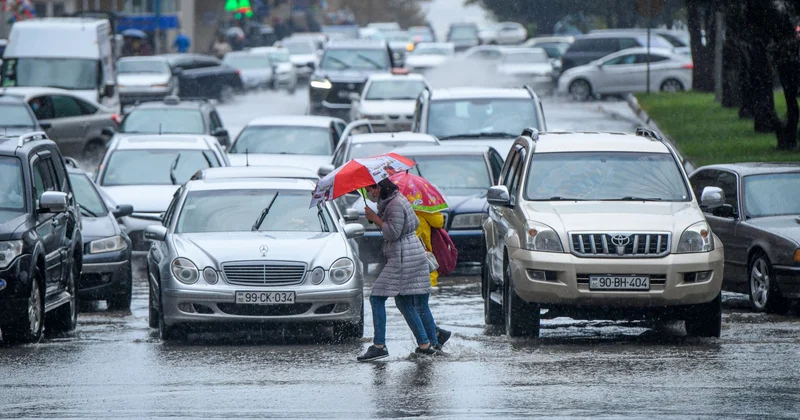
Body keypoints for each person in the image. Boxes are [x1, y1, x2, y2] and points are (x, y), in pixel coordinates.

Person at [357, 179, 442, 362]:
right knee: (404, 302)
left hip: (404, 257)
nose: (368, 194)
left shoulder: (394, 204)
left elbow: (392, 233)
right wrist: (378, 216)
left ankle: (379, 346)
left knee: (376, 297)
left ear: (377, 188)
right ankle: (425, 345)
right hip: (406, 254)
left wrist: (376, 218)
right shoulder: (393, 200)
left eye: (368, 189)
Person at [414, 210, 453, 349]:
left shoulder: (417, 214)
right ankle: (436, 333)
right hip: (424, 265)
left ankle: (434, 339)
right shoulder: (425, 212)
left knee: (420, 306)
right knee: (418, 306)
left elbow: (437, 221)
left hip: (423, 266)